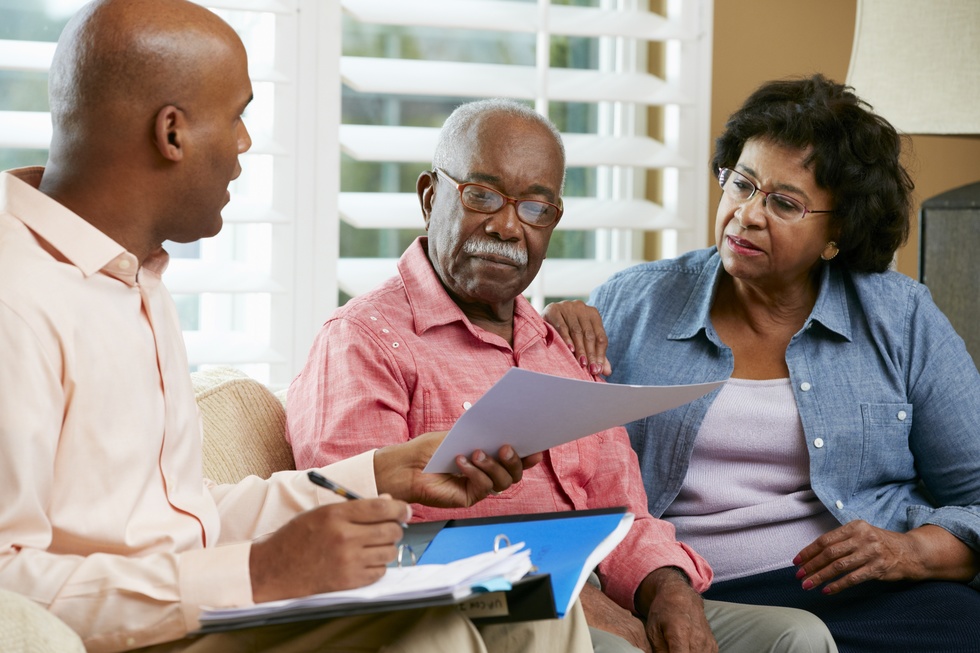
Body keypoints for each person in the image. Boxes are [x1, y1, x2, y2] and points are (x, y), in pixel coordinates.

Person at [0, 2, 598, 652]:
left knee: (537, 599)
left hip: (190, 616)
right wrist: (257, 572)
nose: (246, 144)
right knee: (433, 630)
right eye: (238, 117)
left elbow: (181, 518)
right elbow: (10, 589)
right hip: (112, 640)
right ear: (172, 133)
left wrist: (382, 473)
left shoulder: (133, 279)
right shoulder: (18, 299)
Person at [286, 98, 838, 653]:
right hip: (474, 615)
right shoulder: (364, 340)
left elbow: (626, 515)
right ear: (431, 197)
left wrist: (672, 595)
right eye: (481, 196)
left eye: (535, 208)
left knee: (796, 636)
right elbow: (359, 540)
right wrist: (564, 594)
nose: (506, 227)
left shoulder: (562, 349)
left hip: (596, 598)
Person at [543, 74, 980, 652]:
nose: (746, 215)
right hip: (693, 595)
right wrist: (541, 332)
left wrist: (910, 551)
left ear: (839, 230)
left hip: (865, 595)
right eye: (741, 184)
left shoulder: (899, 318)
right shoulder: (634, 303)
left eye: (783, 202)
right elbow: (551, 461)